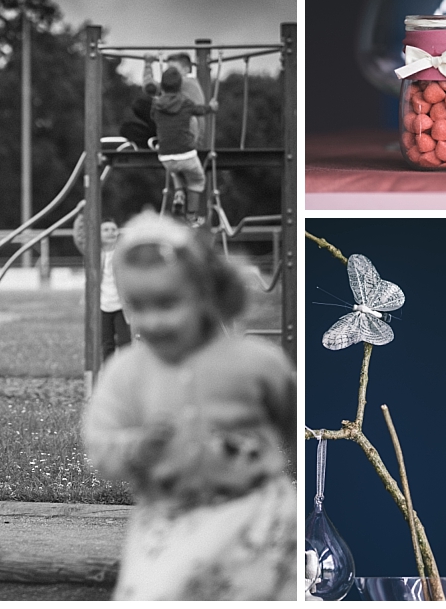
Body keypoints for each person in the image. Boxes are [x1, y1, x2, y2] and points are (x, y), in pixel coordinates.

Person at [83, 211, 296, 601]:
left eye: (167, 303)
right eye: (138, 306)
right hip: (168, 523)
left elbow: (295, 418)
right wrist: (136, 446)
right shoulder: (126, 373)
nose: (153, 320)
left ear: (204, 294)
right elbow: (99, 446)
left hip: (257, 520)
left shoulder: (254, 361)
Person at [150, 66, 218, 227]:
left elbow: (154, 117)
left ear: (162, 87)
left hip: (165, 155)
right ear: (180, 87)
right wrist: (212, 107)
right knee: (197, 180)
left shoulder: (156, 105)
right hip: (185, 153)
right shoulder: (185, 103)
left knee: (175, 170)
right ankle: (191, 216)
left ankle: (179, 193)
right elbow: (200, 110)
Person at [72, 213, 132, 360]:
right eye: (106, 230)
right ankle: (109, 375)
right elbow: (80, 237)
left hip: (121, 306)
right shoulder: (93, 254)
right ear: (97, 234)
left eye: (113, 229)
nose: (111, 232)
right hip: (102, 305)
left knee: (125, 343)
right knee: (106, 344)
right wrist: (82, 215)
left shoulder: (123, 253)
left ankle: (125, 376)